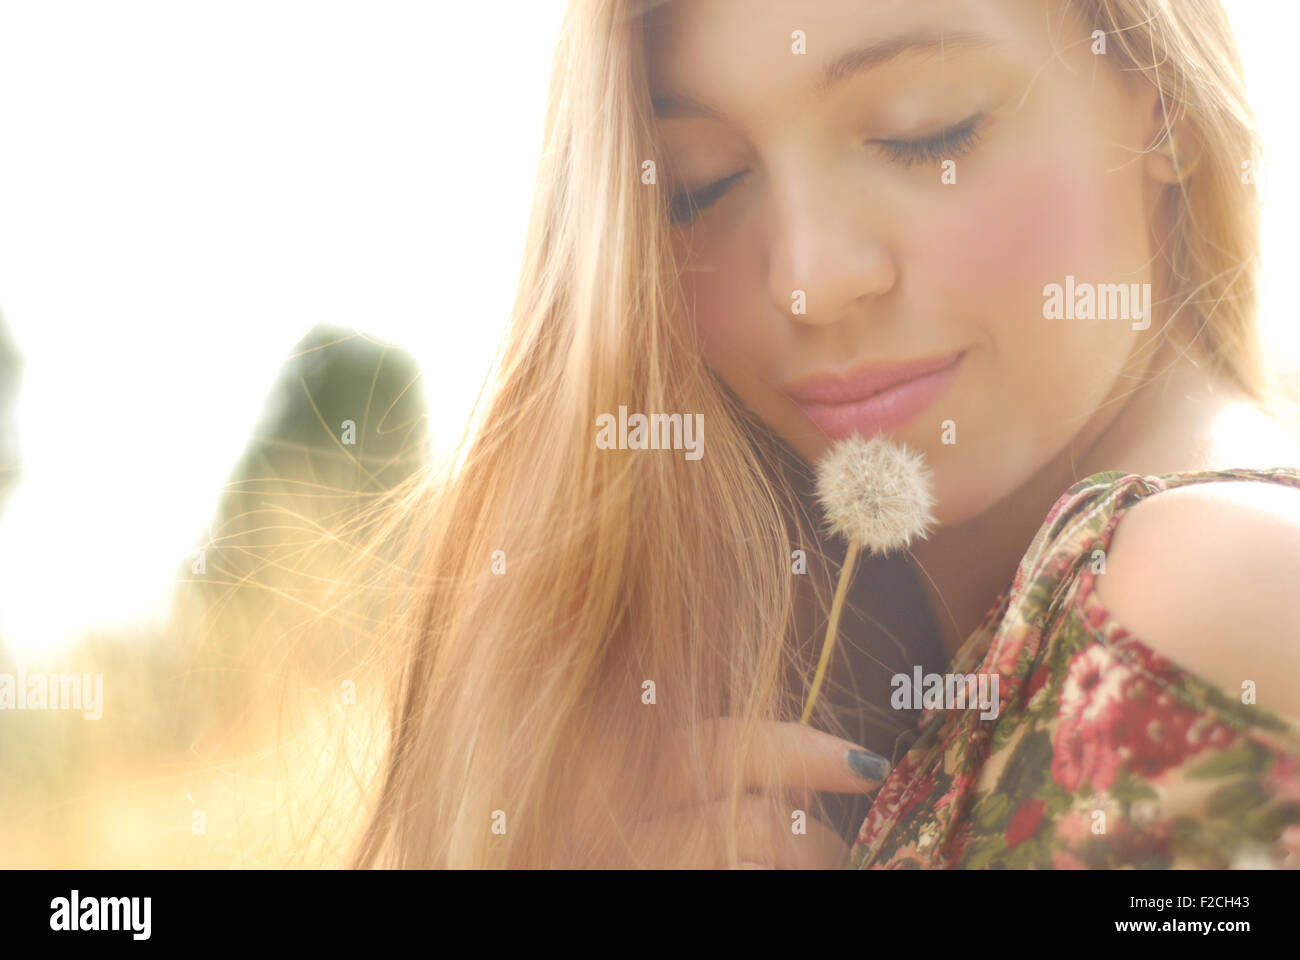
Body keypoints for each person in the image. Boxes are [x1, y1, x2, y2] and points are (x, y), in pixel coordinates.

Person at [350, 0, 1300, 868]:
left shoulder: (1199, 590)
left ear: (1163, 100)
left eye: (924, 131)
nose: (809, 278)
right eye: (701, 187)